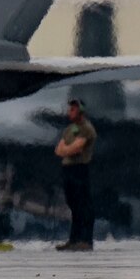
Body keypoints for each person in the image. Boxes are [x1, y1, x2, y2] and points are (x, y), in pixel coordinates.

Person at [55, 97, 98, 251]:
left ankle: (85, 240)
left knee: (83, 204)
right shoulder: (70, 129)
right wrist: (68, 149)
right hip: (68, 170)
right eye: (70, 108)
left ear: (81, 111)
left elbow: (76, 148)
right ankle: (74, 239)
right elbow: (59, 150)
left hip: (80, 168)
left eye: (73, 109)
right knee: (73, 204)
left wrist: (68, 149)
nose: (70, 111)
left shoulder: (87, 128)